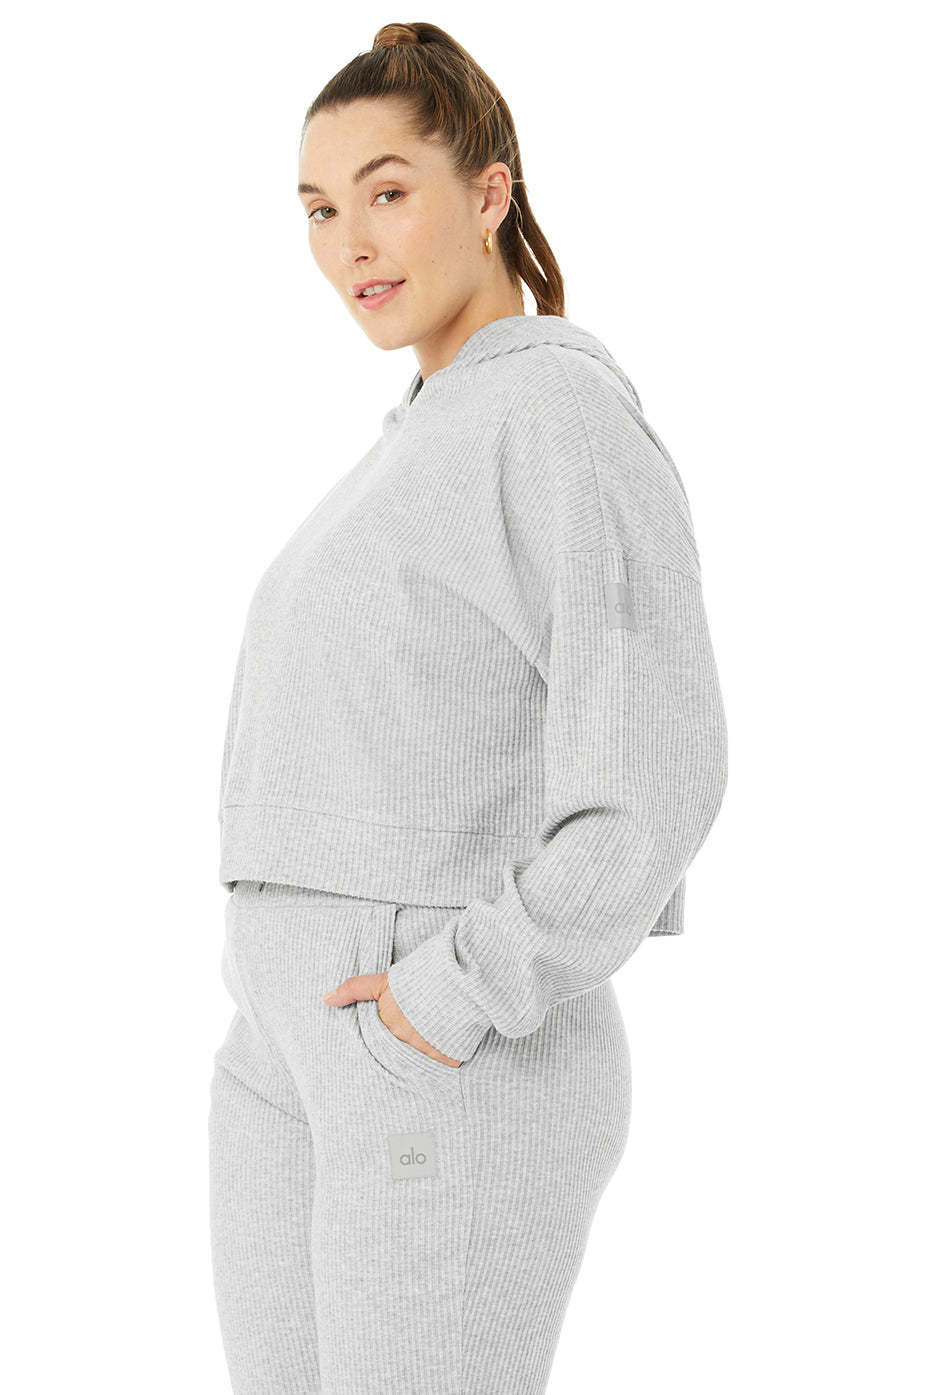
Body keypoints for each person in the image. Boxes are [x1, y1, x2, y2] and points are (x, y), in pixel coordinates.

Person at [208, 21, 728, 1395]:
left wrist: (450, 995)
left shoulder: (555, 416)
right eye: (320, 209)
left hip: (438, 1050)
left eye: (387, 192)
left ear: (489, 192)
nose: (350, 244)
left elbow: (659, 776)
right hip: (291, 1044)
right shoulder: (419, 437)